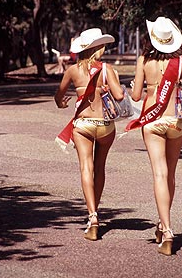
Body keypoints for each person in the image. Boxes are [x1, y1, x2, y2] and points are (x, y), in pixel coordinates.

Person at [126, 16, 182, 256]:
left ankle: (167, 230)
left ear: (153, 39)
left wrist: (135, 87)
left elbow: (136, 97)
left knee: (159, 174)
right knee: (170, 174)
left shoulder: (144, 60)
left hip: (153, 122)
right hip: (175, 123)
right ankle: (163, 224)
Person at [54, 28, 124, 241]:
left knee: (86, 167)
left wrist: (63, 102)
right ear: (98, 48)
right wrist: (110, 88)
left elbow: (58, 98)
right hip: (104, 125)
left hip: (83, 125)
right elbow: (120, 96)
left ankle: (92, 216)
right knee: (99, 168)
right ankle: (96, 209)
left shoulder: (73, 70)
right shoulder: (107, 69)